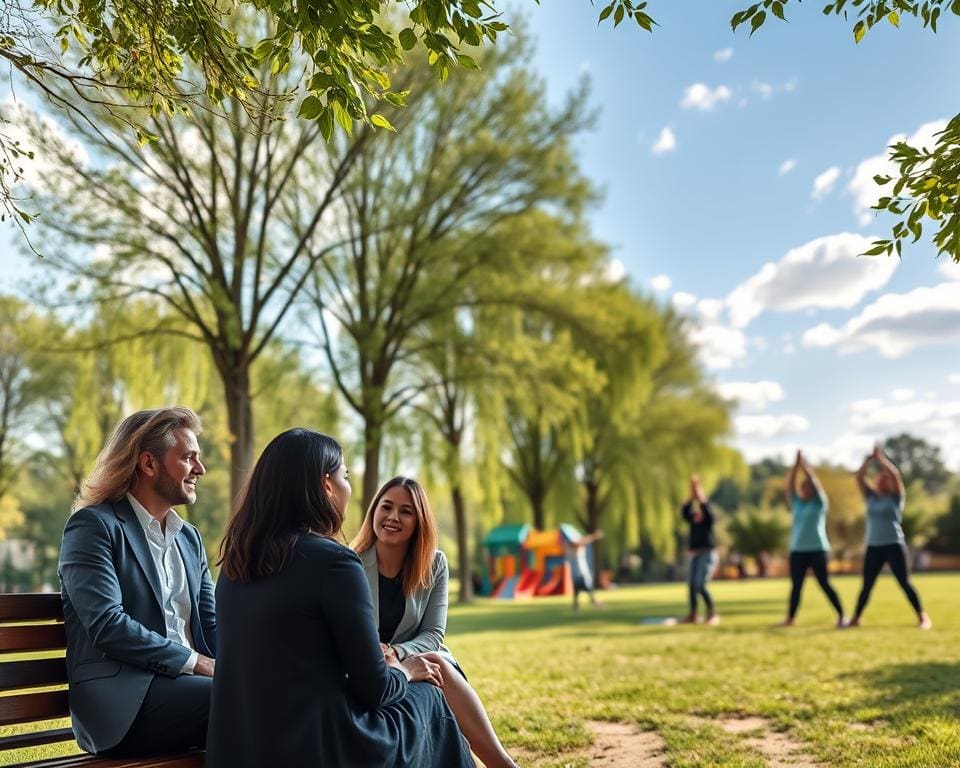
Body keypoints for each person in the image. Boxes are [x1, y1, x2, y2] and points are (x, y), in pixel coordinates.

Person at [206, 430, 474, 768]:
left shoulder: (235, 563)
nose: (349, 487)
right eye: (345, 475)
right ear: (326, 485)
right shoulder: (334, 563)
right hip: (319, 748)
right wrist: (407, 669)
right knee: (431, 697)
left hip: (239, 749)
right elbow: (376, 690)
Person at [58, 407, 216, 757]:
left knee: (275, 691)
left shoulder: (189, 538)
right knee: (240, 700)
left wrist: (254, 666)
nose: (200, 470)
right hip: (123, 701)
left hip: (190, 691)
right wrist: (200, 664)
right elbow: (108, 625)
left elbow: (213, 627)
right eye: (188, 457)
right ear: (148, 463)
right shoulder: (93, 527)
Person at [351, 476, 518, 768]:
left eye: (406, 511)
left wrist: (397, 652)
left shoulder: (435, 564)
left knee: (436, 659)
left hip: (414, 657)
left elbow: (433, 633)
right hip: (365, 662)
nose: (393, 517)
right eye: (386, 507)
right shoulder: (350, 563)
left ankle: (502, 764)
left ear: (420, 520)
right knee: (435, 662)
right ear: (374, 512)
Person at [851, 444, 932, 630]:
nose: (881, 481)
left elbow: (896, 476)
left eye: (884, 479)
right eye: (879, 478)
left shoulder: (895, 497)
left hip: (893, 544)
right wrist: (868, 461)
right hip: (873, 546)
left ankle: (922, 617)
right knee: (867, 585)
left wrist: (882, 460)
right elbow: (858, 477)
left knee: (904, 582)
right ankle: (856, 618)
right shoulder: (870, 497)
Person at [779, 450, 846, 628]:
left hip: (817, 549)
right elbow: (789, 487)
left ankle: (841, 616)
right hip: (797, 550)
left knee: (824, 583)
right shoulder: (797, 503)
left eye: (808, 487)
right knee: (796, 586)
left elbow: (816, 485)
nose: (805, 490)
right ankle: (790, 619)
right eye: (803, 487)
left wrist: (805, 467)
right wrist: (795, 467)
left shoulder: (819, 503)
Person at [680, 474, 719, 625]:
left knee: (700, 584)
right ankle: (693, 614)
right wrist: (691, 493)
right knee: (691, 585)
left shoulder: (708, 518)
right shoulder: (692, 519)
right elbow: (684, 509)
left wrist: (697, 489)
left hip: (707, 554)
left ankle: (712, 612)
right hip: (695, 555)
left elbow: (704, 503)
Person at [565, 527, 604, 611]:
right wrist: (594, 536)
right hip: (578, 574)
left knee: (583, 592)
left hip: (579, 574)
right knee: (582, 591)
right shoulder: (571, 546)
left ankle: (592, 603)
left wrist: (593, 537)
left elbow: (582, 541)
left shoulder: (573, 547)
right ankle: (592, 603)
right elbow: (580, 542)